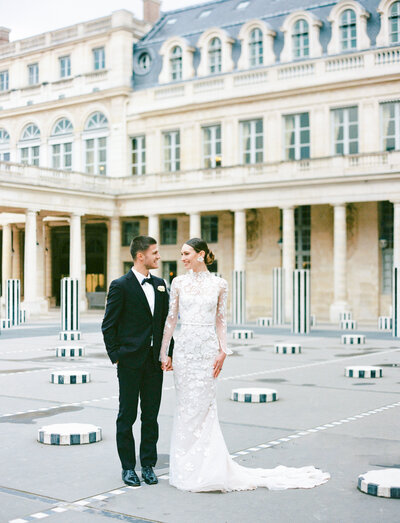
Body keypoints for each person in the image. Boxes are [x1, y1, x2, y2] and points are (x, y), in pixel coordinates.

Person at [160, 237, 330, 492]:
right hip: (184, 352)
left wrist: (223, 350)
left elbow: (221, 321)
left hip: (207, 351)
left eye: (186, 253)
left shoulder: (220, 284)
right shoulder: (178, 282)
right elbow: (171, 320)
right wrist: (165, 352)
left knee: (205, 408)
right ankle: (185, 468)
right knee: (185, 408)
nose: (182, 258)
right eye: (181, 254)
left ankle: (209, 468)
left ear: (201, 254)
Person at [102, 236, 173, 487]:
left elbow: (166, 324)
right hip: (130, 362)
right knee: (127, 415)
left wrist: (168, 352)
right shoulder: (120, 285)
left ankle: (149, 465)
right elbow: (108, 325)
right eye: (155, 252)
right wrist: (117, 357)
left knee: (151, 416)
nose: (158, 256)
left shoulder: (162, 284)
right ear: (140, 256)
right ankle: (128, 467)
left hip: (155, 363)